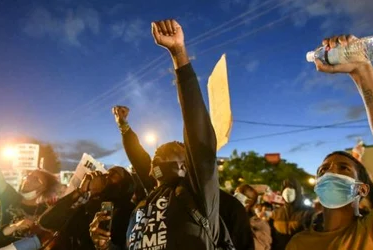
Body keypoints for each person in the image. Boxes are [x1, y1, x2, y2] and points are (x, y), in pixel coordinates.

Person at [286, 34, 373, 250]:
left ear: (362, 190)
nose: (330, 172)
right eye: (323, 170)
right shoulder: (298, 243)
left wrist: (361, 71)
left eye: (344, 168)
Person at [123, 19, 229, 249]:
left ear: (185, 166)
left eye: (176, 149)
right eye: (158, 152)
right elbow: (137, 155)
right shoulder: (146, 200)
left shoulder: (196, 194)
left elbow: (196, 130)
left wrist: (179, 55)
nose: (164, 146)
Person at [107, 105, 253, 249]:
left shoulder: (228, 206)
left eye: (169, 151)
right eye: (156, 155)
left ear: (185, 166)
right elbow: (139, 157)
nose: (157, 152)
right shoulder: (155, 193)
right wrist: (124, 127)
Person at [0, 114, 61, 248]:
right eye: (29, 175)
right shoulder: (10, 196)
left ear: (43, 189)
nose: (27, 179)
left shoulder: (46, 213)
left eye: (35, 179)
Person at [39, 168, 135, 250]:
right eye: (105, 174)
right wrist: (80, 191)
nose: (105, 176)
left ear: (124, 186)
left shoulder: (128, 213)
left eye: (112, 175)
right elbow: (47, 221)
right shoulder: (83, 209)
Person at [272, 178, 313, 249]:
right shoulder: (276, 213)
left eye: (291, 188)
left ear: (298, 191)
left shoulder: (309, 212)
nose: (287, 191)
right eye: (285, 188)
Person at [235, 184, 272, 250]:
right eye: (236, 192)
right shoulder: (226, 216)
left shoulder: (259, 226)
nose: (236, 196)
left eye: (241, 195)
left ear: (249, 203)